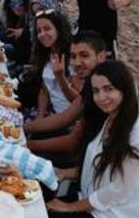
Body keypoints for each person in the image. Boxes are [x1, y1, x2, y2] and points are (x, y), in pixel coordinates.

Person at [25, 59, 139, 218]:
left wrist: (71, 207)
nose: (102, 97)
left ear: (125, 89)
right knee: (33, 200)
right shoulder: (110, 121)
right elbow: (100, 167)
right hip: (95, 202)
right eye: (96, 91)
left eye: (109, 89)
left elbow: (118, 191)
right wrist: (67, 173)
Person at [24, 31, 108, 165]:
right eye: (73, 57)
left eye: (84, 55)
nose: (77, 63)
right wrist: (22, 128)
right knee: (37, 134)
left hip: (93, 161)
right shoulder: (93, 81)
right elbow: (65, 117)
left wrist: (28, 145)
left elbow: (73, 143)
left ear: (101, 56)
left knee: (31, 159)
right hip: (84, 146)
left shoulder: (105, 90)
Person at [30, 10, 76, 123]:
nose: (42, 34)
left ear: (59, 29)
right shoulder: (47, 54)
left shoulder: (73, 57)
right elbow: (44, 89)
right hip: (52, 112)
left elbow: (78, 101)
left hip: (69, 120)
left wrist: (60, 77)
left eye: (47, 28)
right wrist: (40, 116)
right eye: (39, 31)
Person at [0, 0, 32, 68]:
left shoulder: (32, 16)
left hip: (26, 60)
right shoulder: (14, 17)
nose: (16, 7)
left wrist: (24, 32)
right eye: (13, 4)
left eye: (20, 3)